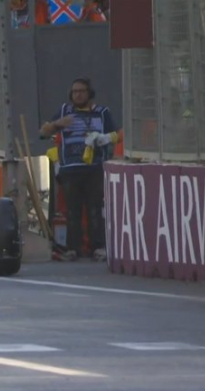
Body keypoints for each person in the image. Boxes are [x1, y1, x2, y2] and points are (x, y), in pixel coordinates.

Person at [39, 77, 119, 262]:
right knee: (72, 212)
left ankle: (97, 247)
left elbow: (117, 134)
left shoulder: (102, 112)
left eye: (81, 91)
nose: (78, 95)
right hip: (70, 170)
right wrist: (58, 124)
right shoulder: (64, 111)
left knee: (94, 209)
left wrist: (104, 138)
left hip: (94, 169)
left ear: (89, 93)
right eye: (75, 91)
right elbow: (43, 132)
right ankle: (73, 249)